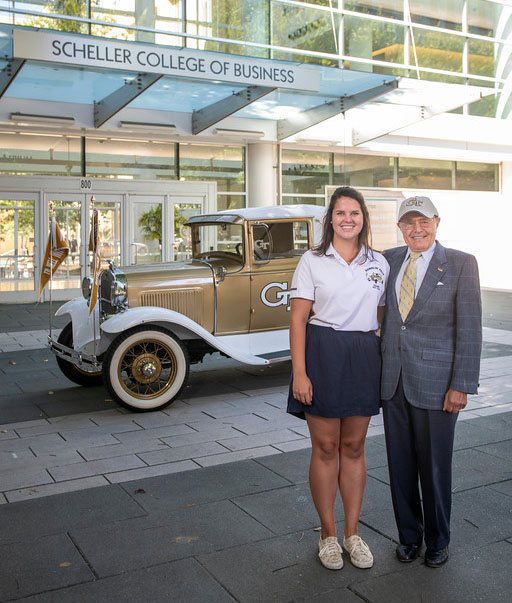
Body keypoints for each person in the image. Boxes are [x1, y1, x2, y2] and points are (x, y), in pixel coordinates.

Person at [287, 186, 389, 571]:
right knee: (326, 447)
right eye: (341, 213)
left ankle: (352, 534)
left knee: (355, 446)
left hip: (363, 354)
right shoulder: (312, 261)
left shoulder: (380, 262)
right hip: (322, 354)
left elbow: (380, 316)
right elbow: (297, 319)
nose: (348, 219)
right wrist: (300, 372)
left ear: (364, 219)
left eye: (355, 213)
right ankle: (327, 536)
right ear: (330, 219)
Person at [380, 195, 482, 568]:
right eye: (409, 223)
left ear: (437, 222)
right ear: (400, 227)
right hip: (393, 382)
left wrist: (462, 384)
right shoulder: (387, 260)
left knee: (435, 469)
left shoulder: (460, 263)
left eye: (423, 222)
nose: (416, 229)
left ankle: (438, 540)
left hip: (439, 387)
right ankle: (409, 537)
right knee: (400, 467)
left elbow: (470, 329)